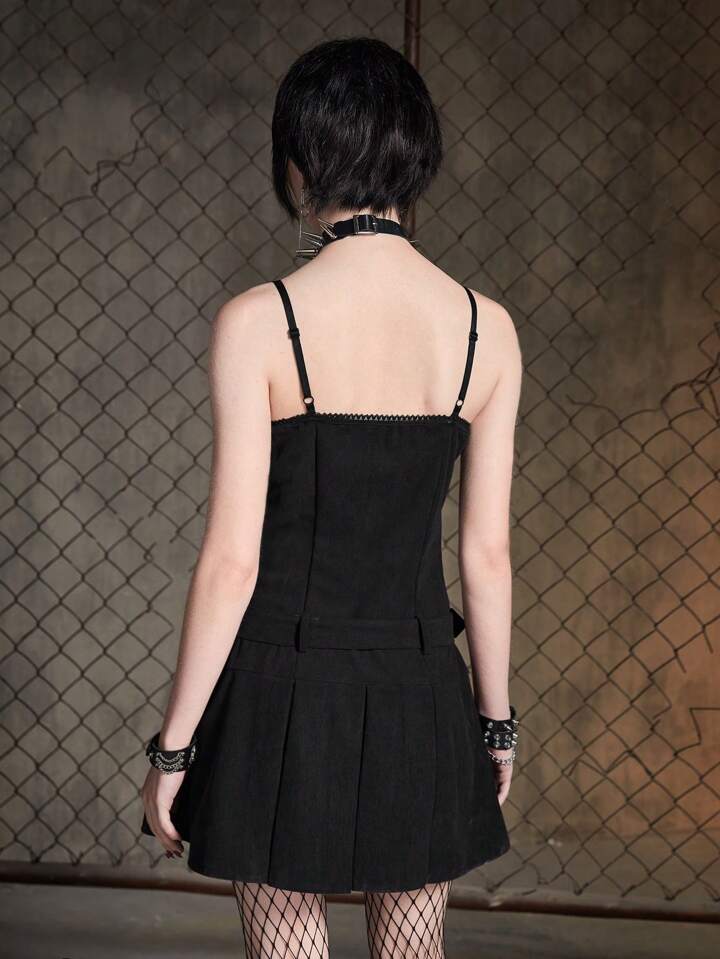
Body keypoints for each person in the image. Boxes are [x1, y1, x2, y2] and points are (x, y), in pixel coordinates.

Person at [140, 35, 521, 959]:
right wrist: (496, 721)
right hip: (420, 685)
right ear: (415, 156)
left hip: (282, 685)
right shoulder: (487, 328)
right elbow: (485, 556)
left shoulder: (258, 321)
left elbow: (232, 563)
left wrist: (174, 749)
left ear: (299, 162)